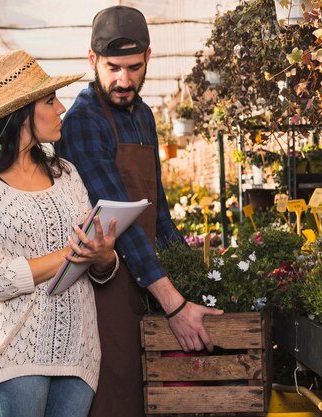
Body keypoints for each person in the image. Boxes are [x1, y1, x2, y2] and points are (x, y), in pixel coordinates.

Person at [54, 6, 223, 417]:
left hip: (144, 276)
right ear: (92, 60)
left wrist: (193, 275)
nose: (123, 80)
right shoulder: (84, 121)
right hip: (104, 284)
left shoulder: (143, 115)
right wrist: (175, 304)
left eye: (133, 67)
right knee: (118, 389)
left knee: (149, 390)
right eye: (113, 67)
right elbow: (117, 223)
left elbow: (157, 211)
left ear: (148, 58)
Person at [0, 49, 120, 417]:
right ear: (20, 115)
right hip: (14, 356)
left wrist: (103, 255)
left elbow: (98, 268)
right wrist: (73, 253)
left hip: (79, 353)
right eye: (50, 99)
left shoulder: (66, 173)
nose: (61, 108)